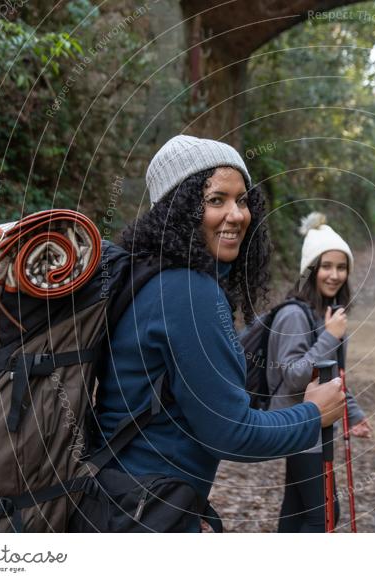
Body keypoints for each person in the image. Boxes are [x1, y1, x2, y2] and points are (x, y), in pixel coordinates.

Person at [92, 136, 344, 532]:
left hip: (126, 498)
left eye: (242, 200)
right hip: (143, 514)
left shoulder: (146, 275)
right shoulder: (189, 293)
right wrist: (312, 415)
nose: (236, 214)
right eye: (216, 200)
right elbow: (230, 432)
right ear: (179, 209)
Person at [267, 212, 373, 533]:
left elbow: (331, 374)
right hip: (298, 426)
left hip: (312, 425)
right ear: (310, 270)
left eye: (342, 267)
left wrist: (353, 413)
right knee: (324, 514)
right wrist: (330, 336)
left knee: (298, 509)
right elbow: (297, 376)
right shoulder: (293, 315)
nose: (335, 275)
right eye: (326, 266)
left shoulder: (326, 315)